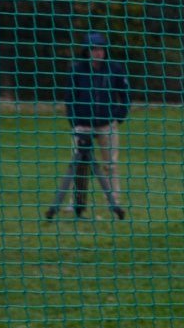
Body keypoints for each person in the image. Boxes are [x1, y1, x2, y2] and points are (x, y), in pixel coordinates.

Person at [46, 30, 131, 220]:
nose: (97, 52)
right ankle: (76, 203)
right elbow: (70, 98)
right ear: (87, 51)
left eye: (100, 48)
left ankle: (114, 201)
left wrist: (119, 115)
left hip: (106, 123)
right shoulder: (77, 69)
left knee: (110, 164)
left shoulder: (115, 68)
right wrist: (75, 121)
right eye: (93, 49)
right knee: (78, 165)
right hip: (83, 124)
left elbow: (125, 94)